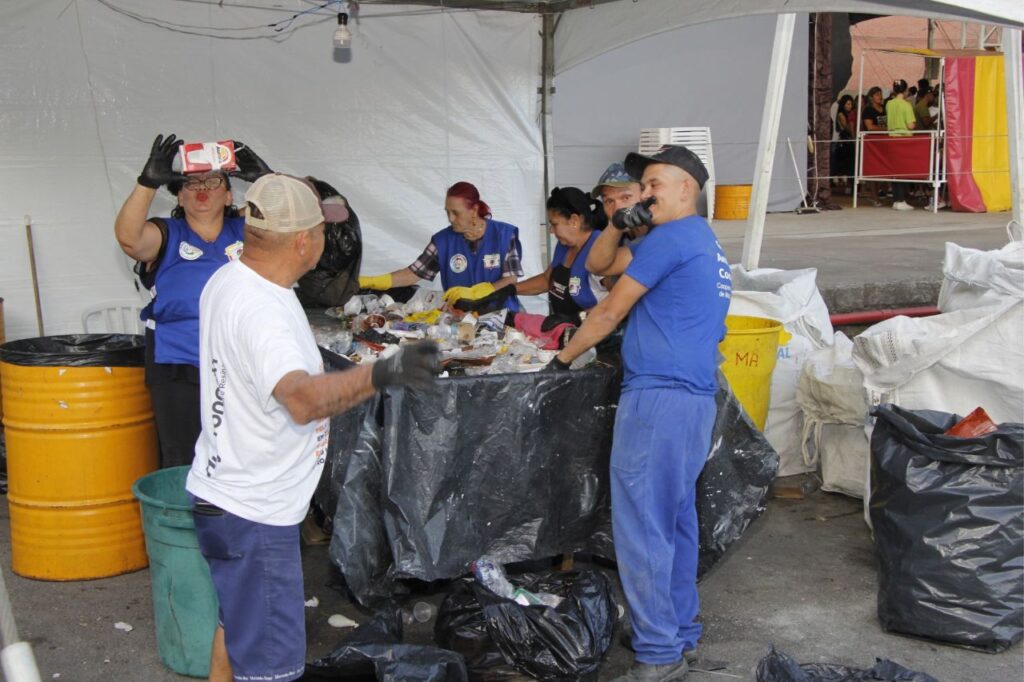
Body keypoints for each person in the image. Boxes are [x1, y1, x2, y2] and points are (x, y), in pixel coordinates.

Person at [185, 173, 440, 682]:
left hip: (221, 493)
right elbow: (301, 400)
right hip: (254, 513)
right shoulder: (264, 310)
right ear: (305, 241)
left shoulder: (229, 277)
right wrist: (388, 372)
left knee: (234, 627)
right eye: (324, 231)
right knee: (271, 667)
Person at [544, 145, 731, 682]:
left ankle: (657, 654)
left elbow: (608, 308)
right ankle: (678, 632)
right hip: (693, 399)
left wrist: (561, 360)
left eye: (653, 185)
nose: (644, 194)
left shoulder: (671, 238)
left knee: (642, 527)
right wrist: (613, 223)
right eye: (642, 187)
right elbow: (599, 262)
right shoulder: (700, 240)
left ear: (685, 190)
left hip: (658, 398)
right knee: (674, 522)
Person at [114, 133, 272, 468]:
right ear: (180, 195)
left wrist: (267, 181)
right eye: (191, 183)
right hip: (177, 361)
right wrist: (146, 183)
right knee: (183, 454)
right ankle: (185, 520)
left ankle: (233, 520)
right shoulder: (167, 233)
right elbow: (129, 239)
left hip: (240, 360)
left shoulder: (248, 230)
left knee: (243, 451)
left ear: (230, 195)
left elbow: (302, 228)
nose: (202, 189)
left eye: (213, 181)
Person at [458, 187, 609, 347]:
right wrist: (507, 291)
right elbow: (546, 280)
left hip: (596, 341)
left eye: (554, 224)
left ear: (574, 221)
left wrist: (578, 318)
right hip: (565, 335)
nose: (551, 230)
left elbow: (617, 300)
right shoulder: (565, 246)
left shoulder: (600, 249)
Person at [358, 181, 523, 310]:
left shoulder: (504, 235)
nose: (450, 218)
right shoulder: (442, 240)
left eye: (456, 213)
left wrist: (478, 292)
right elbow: (412, 274)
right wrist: (372, 281)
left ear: (474, 210)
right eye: (447, 212)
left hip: (501, 314)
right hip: (459, 316)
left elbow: (510, 279)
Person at [587, 162, 649, 278]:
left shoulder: (661, 233)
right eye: (609, 201)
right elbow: (593, 266)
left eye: (625, 197)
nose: (617, 209)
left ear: (644, 195)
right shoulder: (619, 236)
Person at [885, 79, 918, 211]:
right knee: (903, 171)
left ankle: (896, 199)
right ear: (905, 90)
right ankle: (901, 199)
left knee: (894, 171)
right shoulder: (906, 105)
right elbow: (910, 125)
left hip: (890, 138)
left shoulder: (889, 104)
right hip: (903, 140)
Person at [832, 94, 856, 193]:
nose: (850, 106)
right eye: (848, 104)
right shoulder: (842, 114)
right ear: (843, 104)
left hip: (847, 140)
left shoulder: (848, 114)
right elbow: (846, 128)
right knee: (845, 163)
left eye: (851, 104)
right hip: (844, 142)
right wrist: (852, 122)